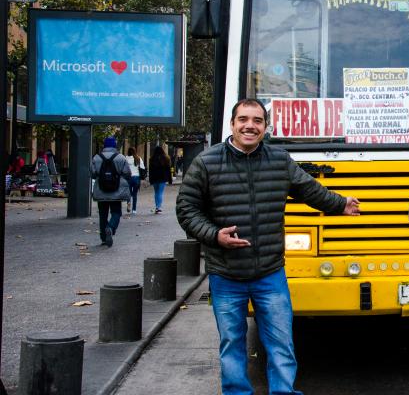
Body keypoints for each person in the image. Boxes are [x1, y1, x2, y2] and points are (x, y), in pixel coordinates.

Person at [176, 99, 360, 395]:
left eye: (257, 121)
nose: (250, 126)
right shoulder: (206, 163)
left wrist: (340, 204)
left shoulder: (279, 160)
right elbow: (186, 210)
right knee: (231, 344)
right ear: (233, 124)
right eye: (244, 120)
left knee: (281, 343)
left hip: (269, 274)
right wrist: (214, 235)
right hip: (225, 274)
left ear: (265, 127)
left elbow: (308, 189)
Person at [90, 136, 131, 248]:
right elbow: (127, 173)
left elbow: (93, 174)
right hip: (116, 191)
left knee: (102, 215)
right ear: (114, 145)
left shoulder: (97, 157)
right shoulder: (121, 157)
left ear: (104, 145)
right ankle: (111, 227)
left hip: (101, 191)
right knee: (116, 212)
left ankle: (103, 238)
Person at [148, 146, 171, 214]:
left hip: (155, 178)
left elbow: (150, 170)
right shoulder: (166, 158)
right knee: (160, 192)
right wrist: (170, 179)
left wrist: (150, 179)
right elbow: (168, 170)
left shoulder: (151, 159)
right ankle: (159, 207)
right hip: (162, 178)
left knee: (156, 192)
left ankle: (157, 207)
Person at [126, 147, 145, 214]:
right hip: (136, 178)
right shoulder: (138, 158)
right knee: (135, 194)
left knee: (128, 193)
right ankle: (134, 210)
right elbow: (143, 168)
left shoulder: (126, 158)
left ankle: (128, 203)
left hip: (128, 178)